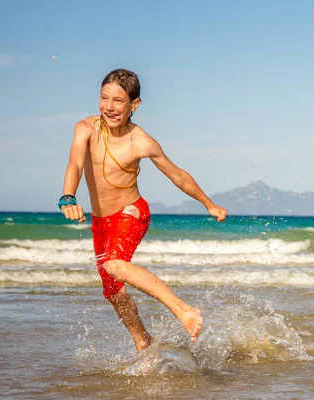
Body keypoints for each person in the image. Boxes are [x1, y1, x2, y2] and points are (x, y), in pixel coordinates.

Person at [60, 68, 227, 351]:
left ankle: (183, 310)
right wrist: (68, 196)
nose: (109, 107)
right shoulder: (85, 129)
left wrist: (209, 204)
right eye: (104, 98)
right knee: (113, 292)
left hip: (131, 212)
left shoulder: (142, 142)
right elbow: (76, 163)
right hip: (101, 222)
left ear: (133, 105)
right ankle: (143, 342)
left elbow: (178, 176)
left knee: (115, 265)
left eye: (118, 101)